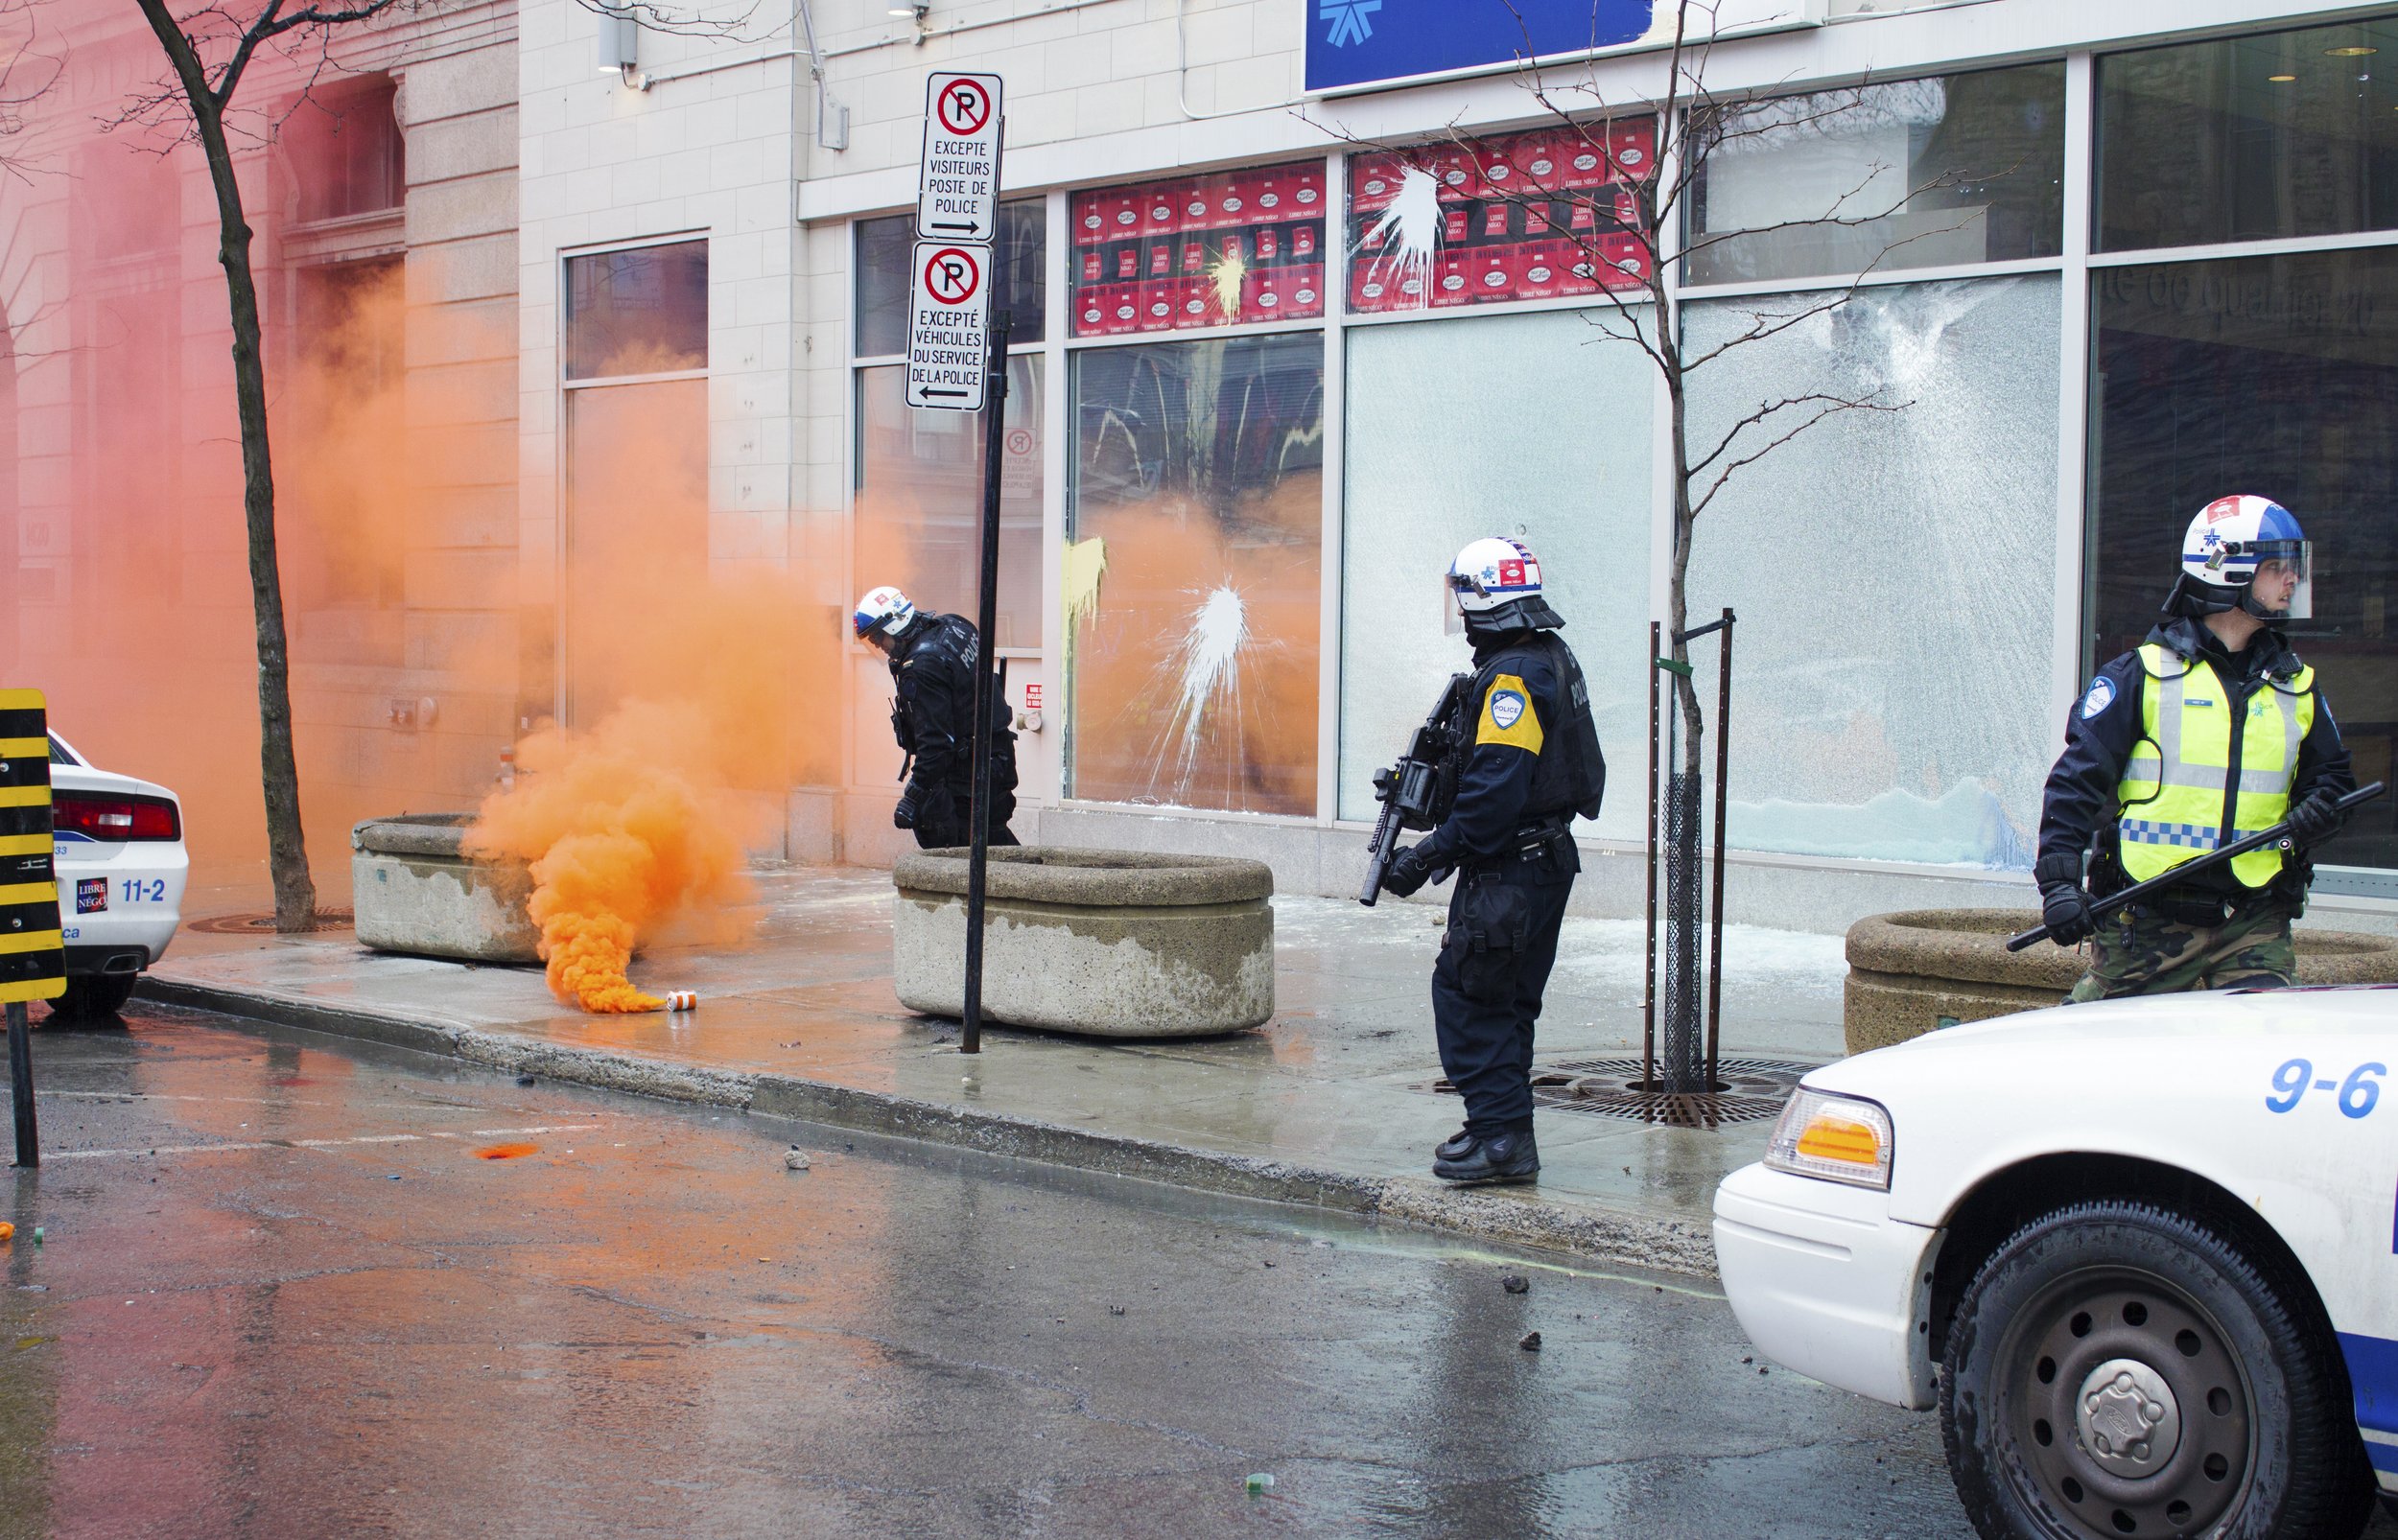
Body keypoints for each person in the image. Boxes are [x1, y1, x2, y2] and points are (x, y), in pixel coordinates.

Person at [2036, 495, 2354, 999]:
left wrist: (2322, 812)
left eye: (2294, 567)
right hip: (2147, 919)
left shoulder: (2296, 685)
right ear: (2228, 570)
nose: (2293, 580)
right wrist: (2058, 884)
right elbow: (2074, 785)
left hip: (2255, 919)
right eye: (2277, 567)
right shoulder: (2141, 676)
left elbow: (2333, 783)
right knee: (2099, 1063)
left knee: (2261, 1059)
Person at [1379, 538, 1606, 1186]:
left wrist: (1422, 857)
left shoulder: (1511, 680)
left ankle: (1502, 1137)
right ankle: (1498, 1129)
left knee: (1468, 995)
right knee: (1505, 999)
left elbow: (1493, 797)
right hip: (1541, 859)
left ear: (1484, 599)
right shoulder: (1547, 656)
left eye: (1462, 595)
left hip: (1510, 868)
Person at [854, 586, 1020, 850]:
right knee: (992, 844)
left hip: (967, 775)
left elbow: (936, 743)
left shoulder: (921, 666)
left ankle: (1039, 887)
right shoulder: (954, 625)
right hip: (996, 757)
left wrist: (914, 794)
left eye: (878, 637)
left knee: (955, 855)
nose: (879, 646)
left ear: (895, 625)